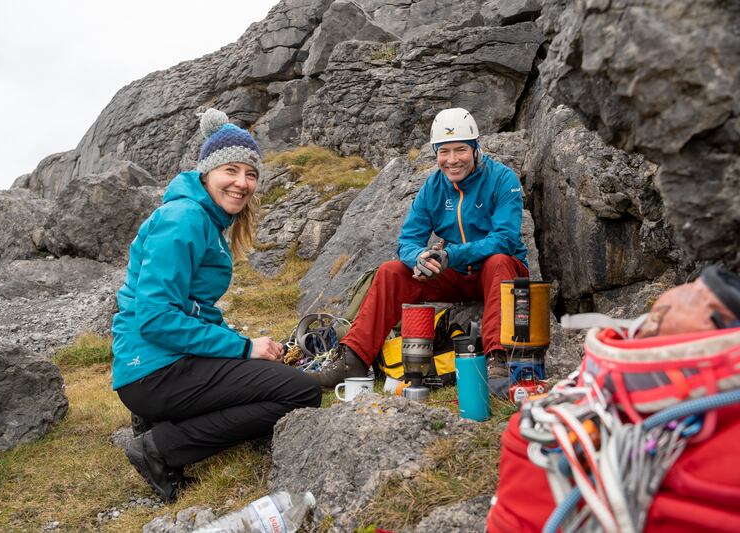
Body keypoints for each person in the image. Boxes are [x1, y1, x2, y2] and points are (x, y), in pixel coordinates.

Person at [111, 109, 322, 503]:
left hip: (163, 365)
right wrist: (243, 348)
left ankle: (161, 419)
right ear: (207, 172)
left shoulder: (203, 218)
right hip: (153, 370)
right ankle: (160, 447)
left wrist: (243, 345)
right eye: (231, 171)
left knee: (268, 371)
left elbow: (192, 309)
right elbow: (156, 318)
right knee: (302, 392)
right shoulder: (184, 219)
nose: (242, 183)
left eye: (251, 174)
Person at [310, 107, 529, 389]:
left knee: (498, 260)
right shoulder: (433, 187)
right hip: (455, 275)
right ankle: (353, 359)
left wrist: (451, 255)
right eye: (443, 152)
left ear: (476, 147)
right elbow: (408, 241)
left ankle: (497, 359)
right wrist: (420, 258)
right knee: (391, 272)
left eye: (460, 150)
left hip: (500, 273)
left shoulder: (502, 178)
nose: (452, 160)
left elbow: (506, 238)